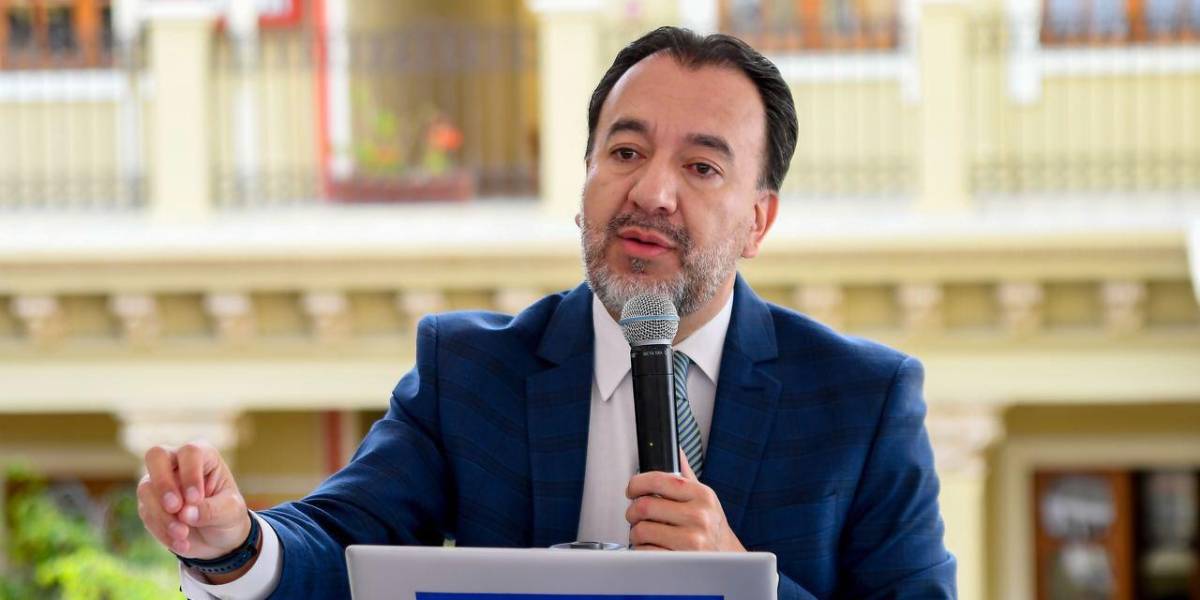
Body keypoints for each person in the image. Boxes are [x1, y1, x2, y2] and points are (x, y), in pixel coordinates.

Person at [137, 26, 957, 599]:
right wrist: (233, 543)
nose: (651, 192)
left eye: (702, 167)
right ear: (585, 177)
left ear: (758, 222)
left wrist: (743, 579)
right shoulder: (470, 373)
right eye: (625, 152)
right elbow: (342, 541)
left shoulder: (863, 402)